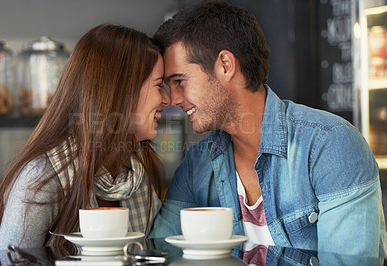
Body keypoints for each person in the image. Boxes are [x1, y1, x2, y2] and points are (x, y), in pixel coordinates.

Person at [149, 0, 387, 259]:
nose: (173, 100)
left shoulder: (329, 145)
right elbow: (163, 254)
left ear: (225, 65)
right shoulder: (196, 166)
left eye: (180, 82)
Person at [0, 23, 170, 250]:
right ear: (122, 90)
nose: (167, 99)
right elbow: (12, 259)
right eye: (159, 85)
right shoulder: (43, 177)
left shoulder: (136, 173)